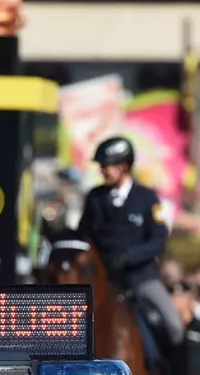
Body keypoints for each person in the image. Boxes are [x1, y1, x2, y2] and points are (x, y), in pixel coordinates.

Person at [73, 137, 184, 356]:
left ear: (123, 166)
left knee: (175, 325)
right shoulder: (95, 198)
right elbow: (83, 235)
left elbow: (158, 239)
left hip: (141, 278)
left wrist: (129, 257)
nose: (102, 171)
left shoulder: (147, 198)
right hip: (103, 279)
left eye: (106, 166)